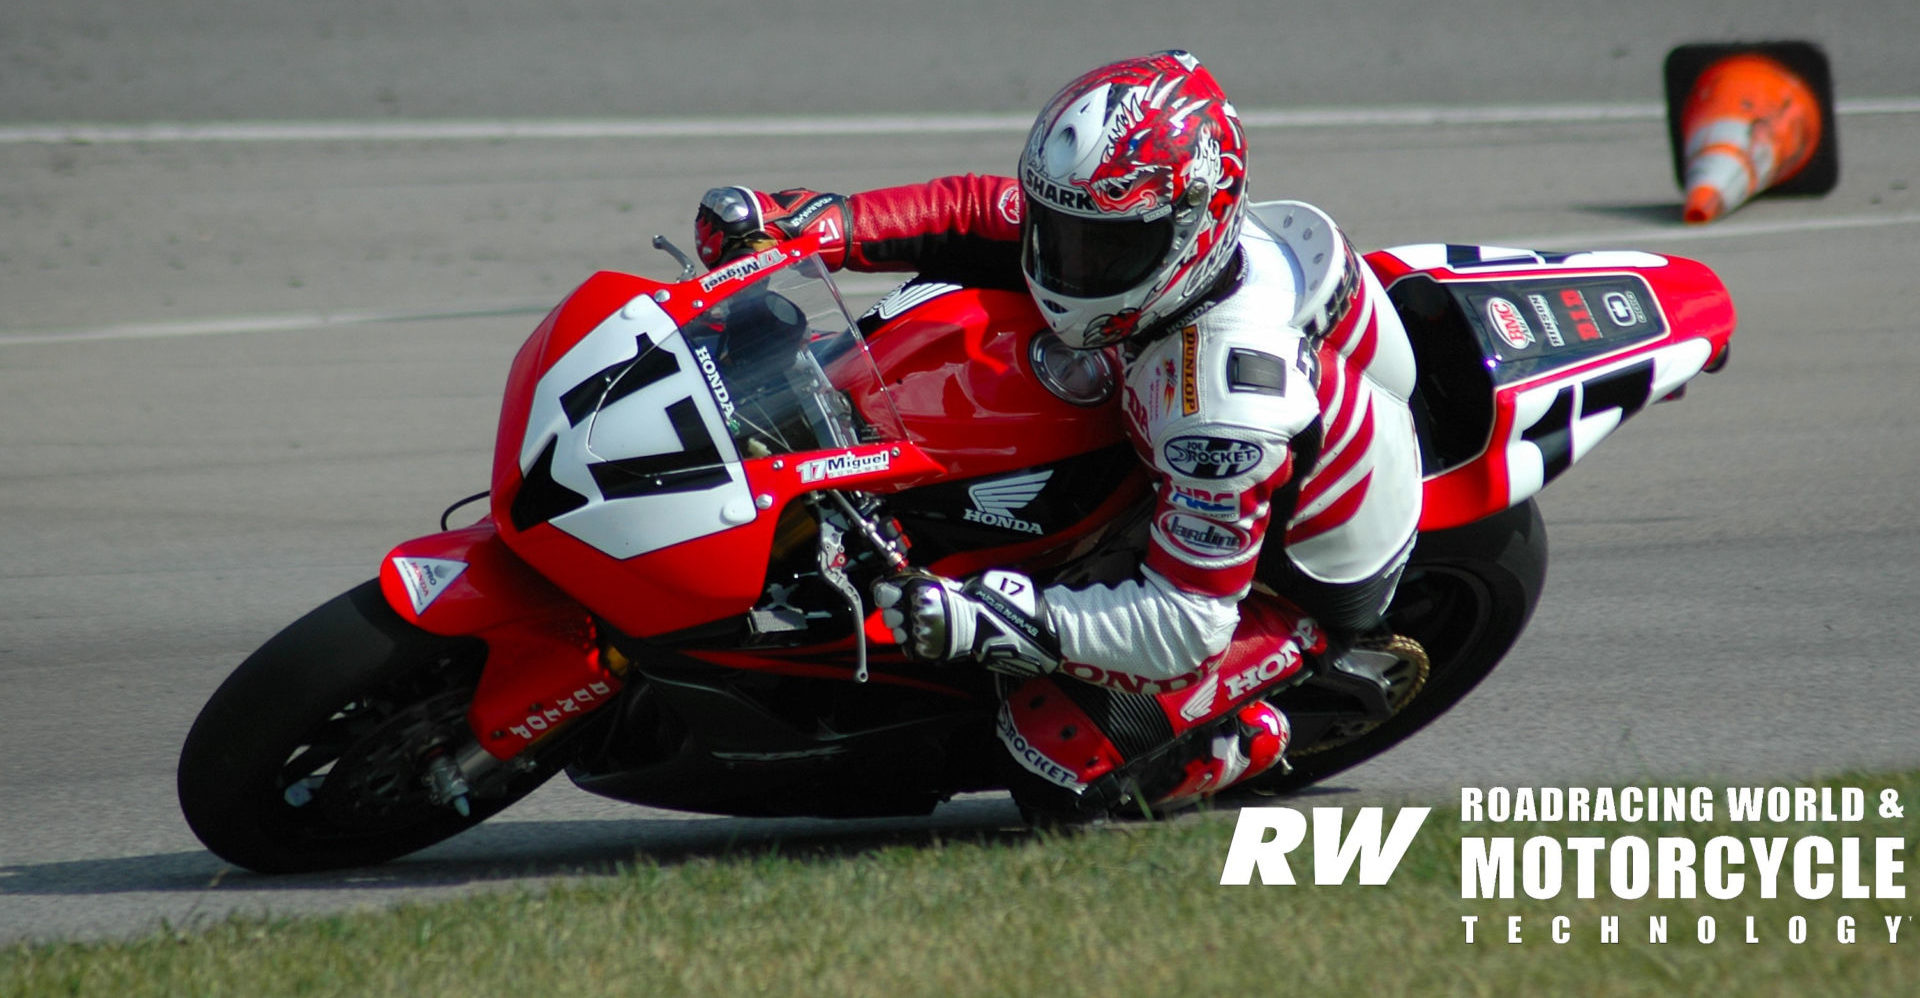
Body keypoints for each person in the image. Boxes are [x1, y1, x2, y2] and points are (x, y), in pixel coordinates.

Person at [693, 50, 1423, 814]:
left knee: (1052, 756)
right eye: (1057, 230)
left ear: (1190, 232)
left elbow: (1186, 624)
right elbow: (975, 212)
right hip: (1202, 454)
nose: (1065, 264)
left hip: (1282, 579)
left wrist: (998, 618)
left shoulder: (1216, 406)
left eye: (1101, 250)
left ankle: (1245, 735)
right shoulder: (1125, 219)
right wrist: (810, 226)